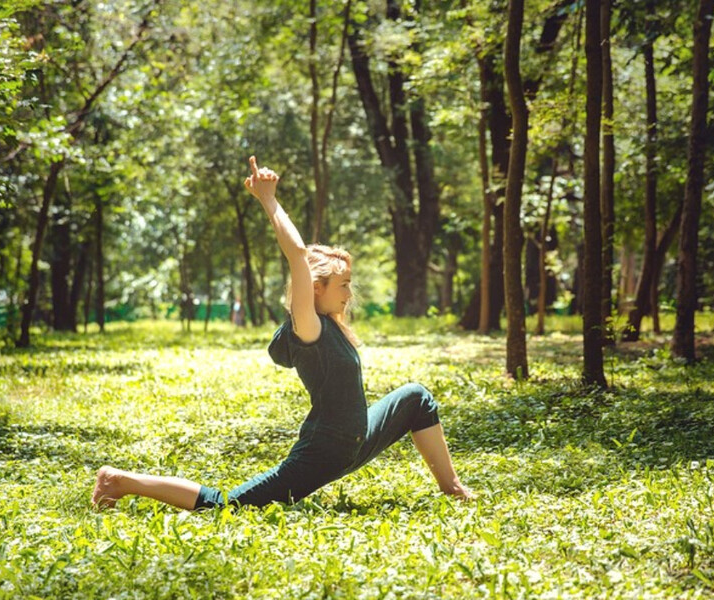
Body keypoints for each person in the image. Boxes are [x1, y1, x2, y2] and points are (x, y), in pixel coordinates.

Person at [91, 156, 472, 510]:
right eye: (342, 285)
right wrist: (268, 199)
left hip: (357, 441)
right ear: (315, 288)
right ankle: (120, 481)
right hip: (323, 453)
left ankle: (451, 487)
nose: (349, 292)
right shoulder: (308, 327)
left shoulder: (333, 328)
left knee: (417, 398)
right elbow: (297, 254)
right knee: (225, 506)